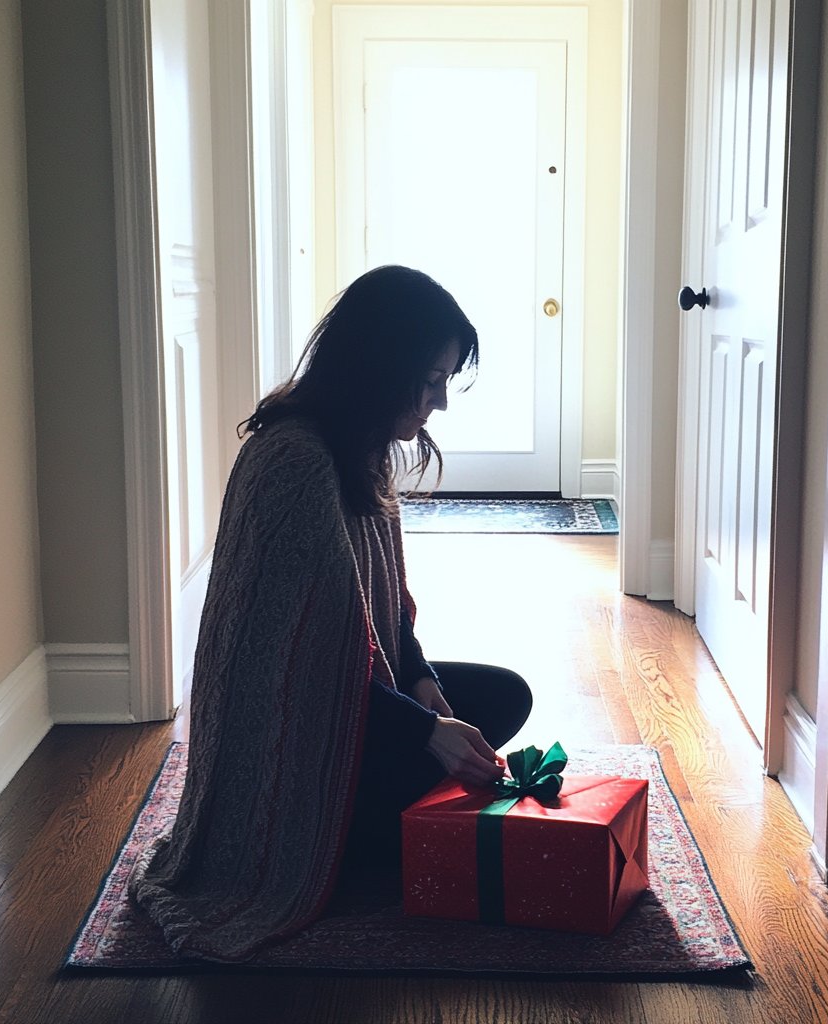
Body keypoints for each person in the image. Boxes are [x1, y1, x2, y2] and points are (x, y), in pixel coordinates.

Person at [128, 266, 532, 962]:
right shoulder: (292, 461)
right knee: (455, 744)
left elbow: (382, 617)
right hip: (288, 743)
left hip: (356, 698)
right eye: (431, 380)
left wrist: (427, 689)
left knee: (502, 695)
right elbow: (302, 667)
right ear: (384, 364)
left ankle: (385, 821)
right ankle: (352, 840)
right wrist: (427, 733)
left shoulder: (360, 450)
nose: (439, 403)